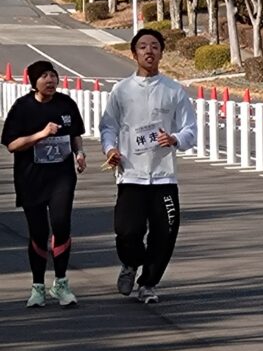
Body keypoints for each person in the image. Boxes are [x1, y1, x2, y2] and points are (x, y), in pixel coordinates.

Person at [99, 28, 197, 304]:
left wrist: (175, 138)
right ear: (134, 54)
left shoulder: (174, 90)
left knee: (165, 233)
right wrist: (111, 149)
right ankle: (130, 264)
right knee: (127, 232)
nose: (149, 51)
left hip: (164, 177)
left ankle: (148, 283)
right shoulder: (122, 90)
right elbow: (108, 126)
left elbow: (191, 129)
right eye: (143, 47)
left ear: (162, 53)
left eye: (155, 46)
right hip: (131, 175)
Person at [2, 60, 87, 307]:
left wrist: (79, 154)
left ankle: (60, 283)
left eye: (53, 75)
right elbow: (11, 144)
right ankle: (37, 286)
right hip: (31, 178)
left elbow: (75, 136)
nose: (50, 80)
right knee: (38, 233)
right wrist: (41, 134)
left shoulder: (66, 104)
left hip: (61, 177)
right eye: (44, 77)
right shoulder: (22, 108)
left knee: (61, 225)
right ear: (33, 82)